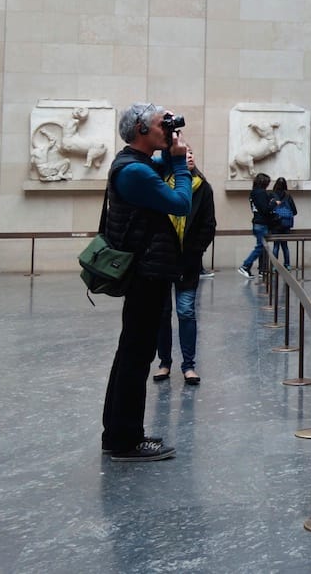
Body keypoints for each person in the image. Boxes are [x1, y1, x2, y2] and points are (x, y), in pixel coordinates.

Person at [100, 102, 192, 462]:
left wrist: (174, 156)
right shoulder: (134, 172)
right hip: (145, 274)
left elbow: (161, 166)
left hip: (146, 272)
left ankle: (118, 434)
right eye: (160, 124)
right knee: (137, 356)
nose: (166, 129)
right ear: (141, 129)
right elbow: (180, 202)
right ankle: (125, 440)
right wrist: (182, 167)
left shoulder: (133, 164)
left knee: (132, 354)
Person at [154, 147, 215, 386]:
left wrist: (194, 251)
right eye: (184, 153)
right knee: (162, 313)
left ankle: (188, 365)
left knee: (186, 311)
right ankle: (164, 362)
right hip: (161, 259)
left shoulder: (203, 188)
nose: (188, 156)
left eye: (191, 153)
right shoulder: (161, 185)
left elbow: (208, 225)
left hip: (187, 262)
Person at [238, 172, 271, 277]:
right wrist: (274, 203)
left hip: (257, 222)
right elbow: (265, 209)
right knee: (260, 247)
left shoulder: (254, 193)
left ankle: (259, 269)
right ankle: (245, 266)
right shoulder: (261, 193)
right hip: (261, 223)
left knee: (261, 247)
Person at [268, 177, 297, 269]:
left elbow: (268, 210)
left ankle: (274, 266)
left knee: (276, 245)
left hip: (275, 224)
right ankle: (287, 264)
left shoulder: (271, 195)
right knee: (285, 246)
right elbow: (295, 211)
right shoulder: (288, 196)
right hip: (286, 224)